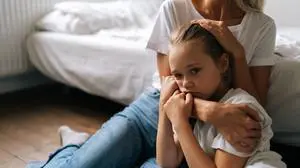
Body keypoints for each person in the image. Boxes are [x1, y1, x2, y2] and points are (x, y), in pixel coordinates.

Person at [26, 0, 278, 167]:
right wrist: (209, 111)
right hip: (155, 111)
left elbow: (254, 105)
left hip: (197, 137)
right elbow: (170, 82)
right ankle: (75, 144)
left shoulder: (260, 25)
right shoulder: (173, 7)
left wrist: (238, 54)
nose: (188, 79)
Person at [156, 23, 285, 168]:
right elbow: (166, 162)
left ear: (223, 63)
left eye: (194, 71)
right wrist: (164, 106)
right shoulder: (192, 109)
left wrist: (180, 124)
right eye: (178, 75)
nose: (186, 84)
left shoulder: (240, 109)